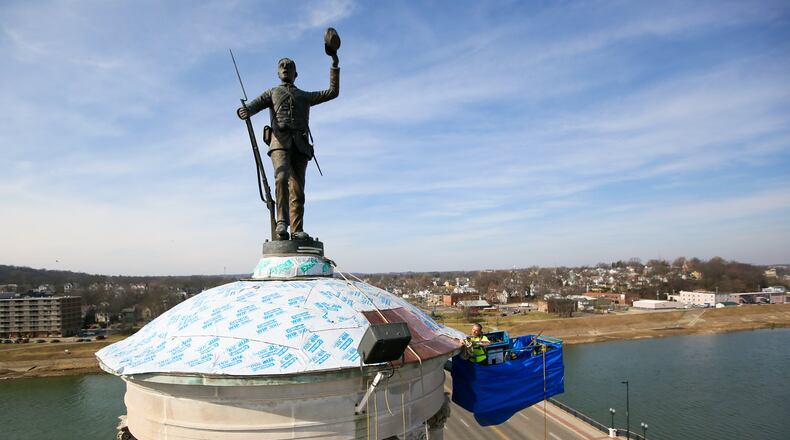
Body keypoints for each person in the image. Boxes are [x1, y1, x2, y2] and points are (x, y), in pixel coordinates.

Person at [236, 48, 339, 240]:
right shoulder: (272, 92)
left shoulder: (304, 96)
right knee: (281, 177)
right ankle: (281, 222)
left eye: (289, 66)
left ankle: (297, 229)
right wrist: (245, 111)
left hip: (300, 145)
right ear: (277, 72)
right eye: (282, 65)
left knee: (298, 189)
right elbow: (252, 106)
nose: (285, 67)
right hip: (279, 141)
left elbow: (333, 92)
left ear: (295, 73)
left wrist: (334, 62)